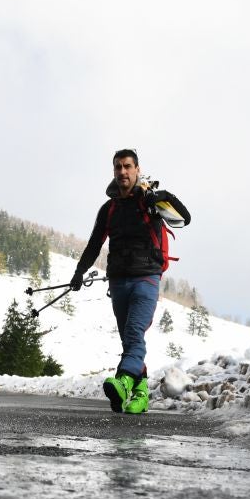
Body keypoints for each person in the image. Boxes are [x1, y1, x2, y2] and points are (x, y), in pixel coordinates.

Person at [72, 148, 190, 414]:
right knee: (130, 341)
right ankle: (141, 393)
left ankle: (123, 382)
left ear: (137, 169)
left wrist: (164, 197)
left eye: (127, 166)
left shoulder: (151, 201)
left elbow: (185, 218)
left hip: (146, 278)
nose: (123, 171)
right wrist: (79, 272)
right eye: (118, 167)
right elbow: (94, 244)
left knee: (135, 332)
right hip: (118, 282)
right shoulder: (109, 209)